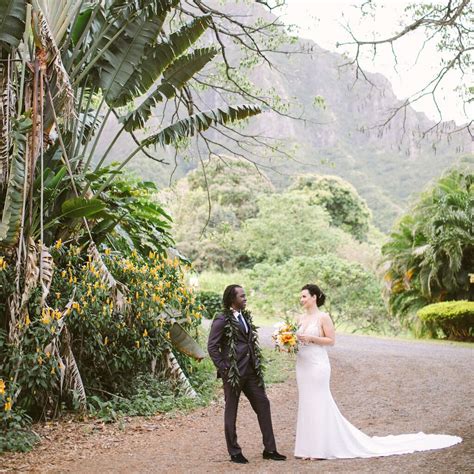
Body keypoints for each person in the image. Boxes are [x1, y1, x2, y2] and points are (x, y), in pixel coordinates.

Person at [294, 283, 462, 460]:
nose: (301, 299)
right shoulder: (300, 319)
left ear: (314, 297)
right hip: (303, 365)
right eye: (301, 297)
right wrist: (287, 342)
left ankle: (321, 448)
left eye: (304, 296)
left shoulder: (323, 317)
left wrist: (312, 338)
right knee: (307, 403)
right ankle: (308, 448)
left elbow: (331, 341)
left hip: (318, 365)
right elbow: (296, 340)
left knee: (320, 401)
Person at [207, 284, 286, 464]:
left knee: (263, 405)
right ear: (232, 299)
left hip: (251, 372)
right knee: (231, 412)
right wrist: (224, 368)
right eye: (242, 296)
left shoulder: (245, 316)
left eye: (245, 295)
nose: (245, 298)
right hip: (234, 374)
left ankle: (270, 449)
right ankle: (234, 452)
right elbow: (212, 347)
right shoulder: (221, 320)